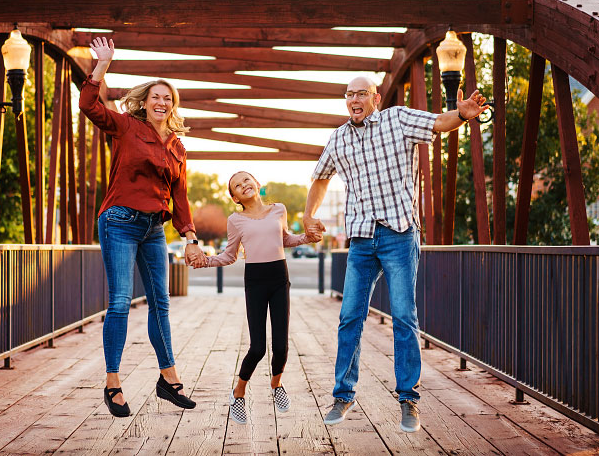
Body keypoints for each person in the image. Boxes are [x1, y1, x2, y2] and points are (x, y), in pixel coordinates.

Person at [303, 76, 488, 432]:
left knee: (404, 316)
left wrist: (462, 115)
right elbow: (320, 177)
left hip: (399, 235)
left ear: (376, 97)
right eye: (349, 94)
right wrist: (309, 214)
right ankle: (343, 395)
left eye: (361, 93)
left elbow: (437, 122)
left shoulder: (397, 119)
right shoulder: (339, 138)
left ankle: (408, 400)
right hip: (360, 239)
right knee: (349, 317)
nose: (354, 99)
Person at [79, 37, 205, 417]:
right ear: (145, 101)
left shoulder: (177, 147)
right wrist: (102, 65)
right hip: (119, 221)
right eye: (156, 96)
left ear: (173, 105)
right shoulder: (125, 126)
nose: (162, 102)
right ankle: (112, 383)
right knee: (120, 302)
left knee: (160, 304)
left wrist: (191, 238)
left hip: (154, 229)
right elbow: (88, 105)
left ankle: (168, 378)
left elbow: (180, 196)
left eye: (168, 98)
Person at [192, 171, 321, 424]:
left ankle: (276, 386)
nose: (244, 186)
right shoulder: (235, 220)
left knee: (281, 346)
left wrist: (308, 237)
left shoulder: (279, 209)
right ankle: (238, 393)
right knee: (258, 347)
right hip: (255, 281)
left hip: (279, 277)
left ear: (257, 184)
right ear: (235, 197)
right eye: (237, 186)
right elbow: (230, 255)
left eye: (246, 180)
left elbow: (284, 239)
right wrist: (205, 261)